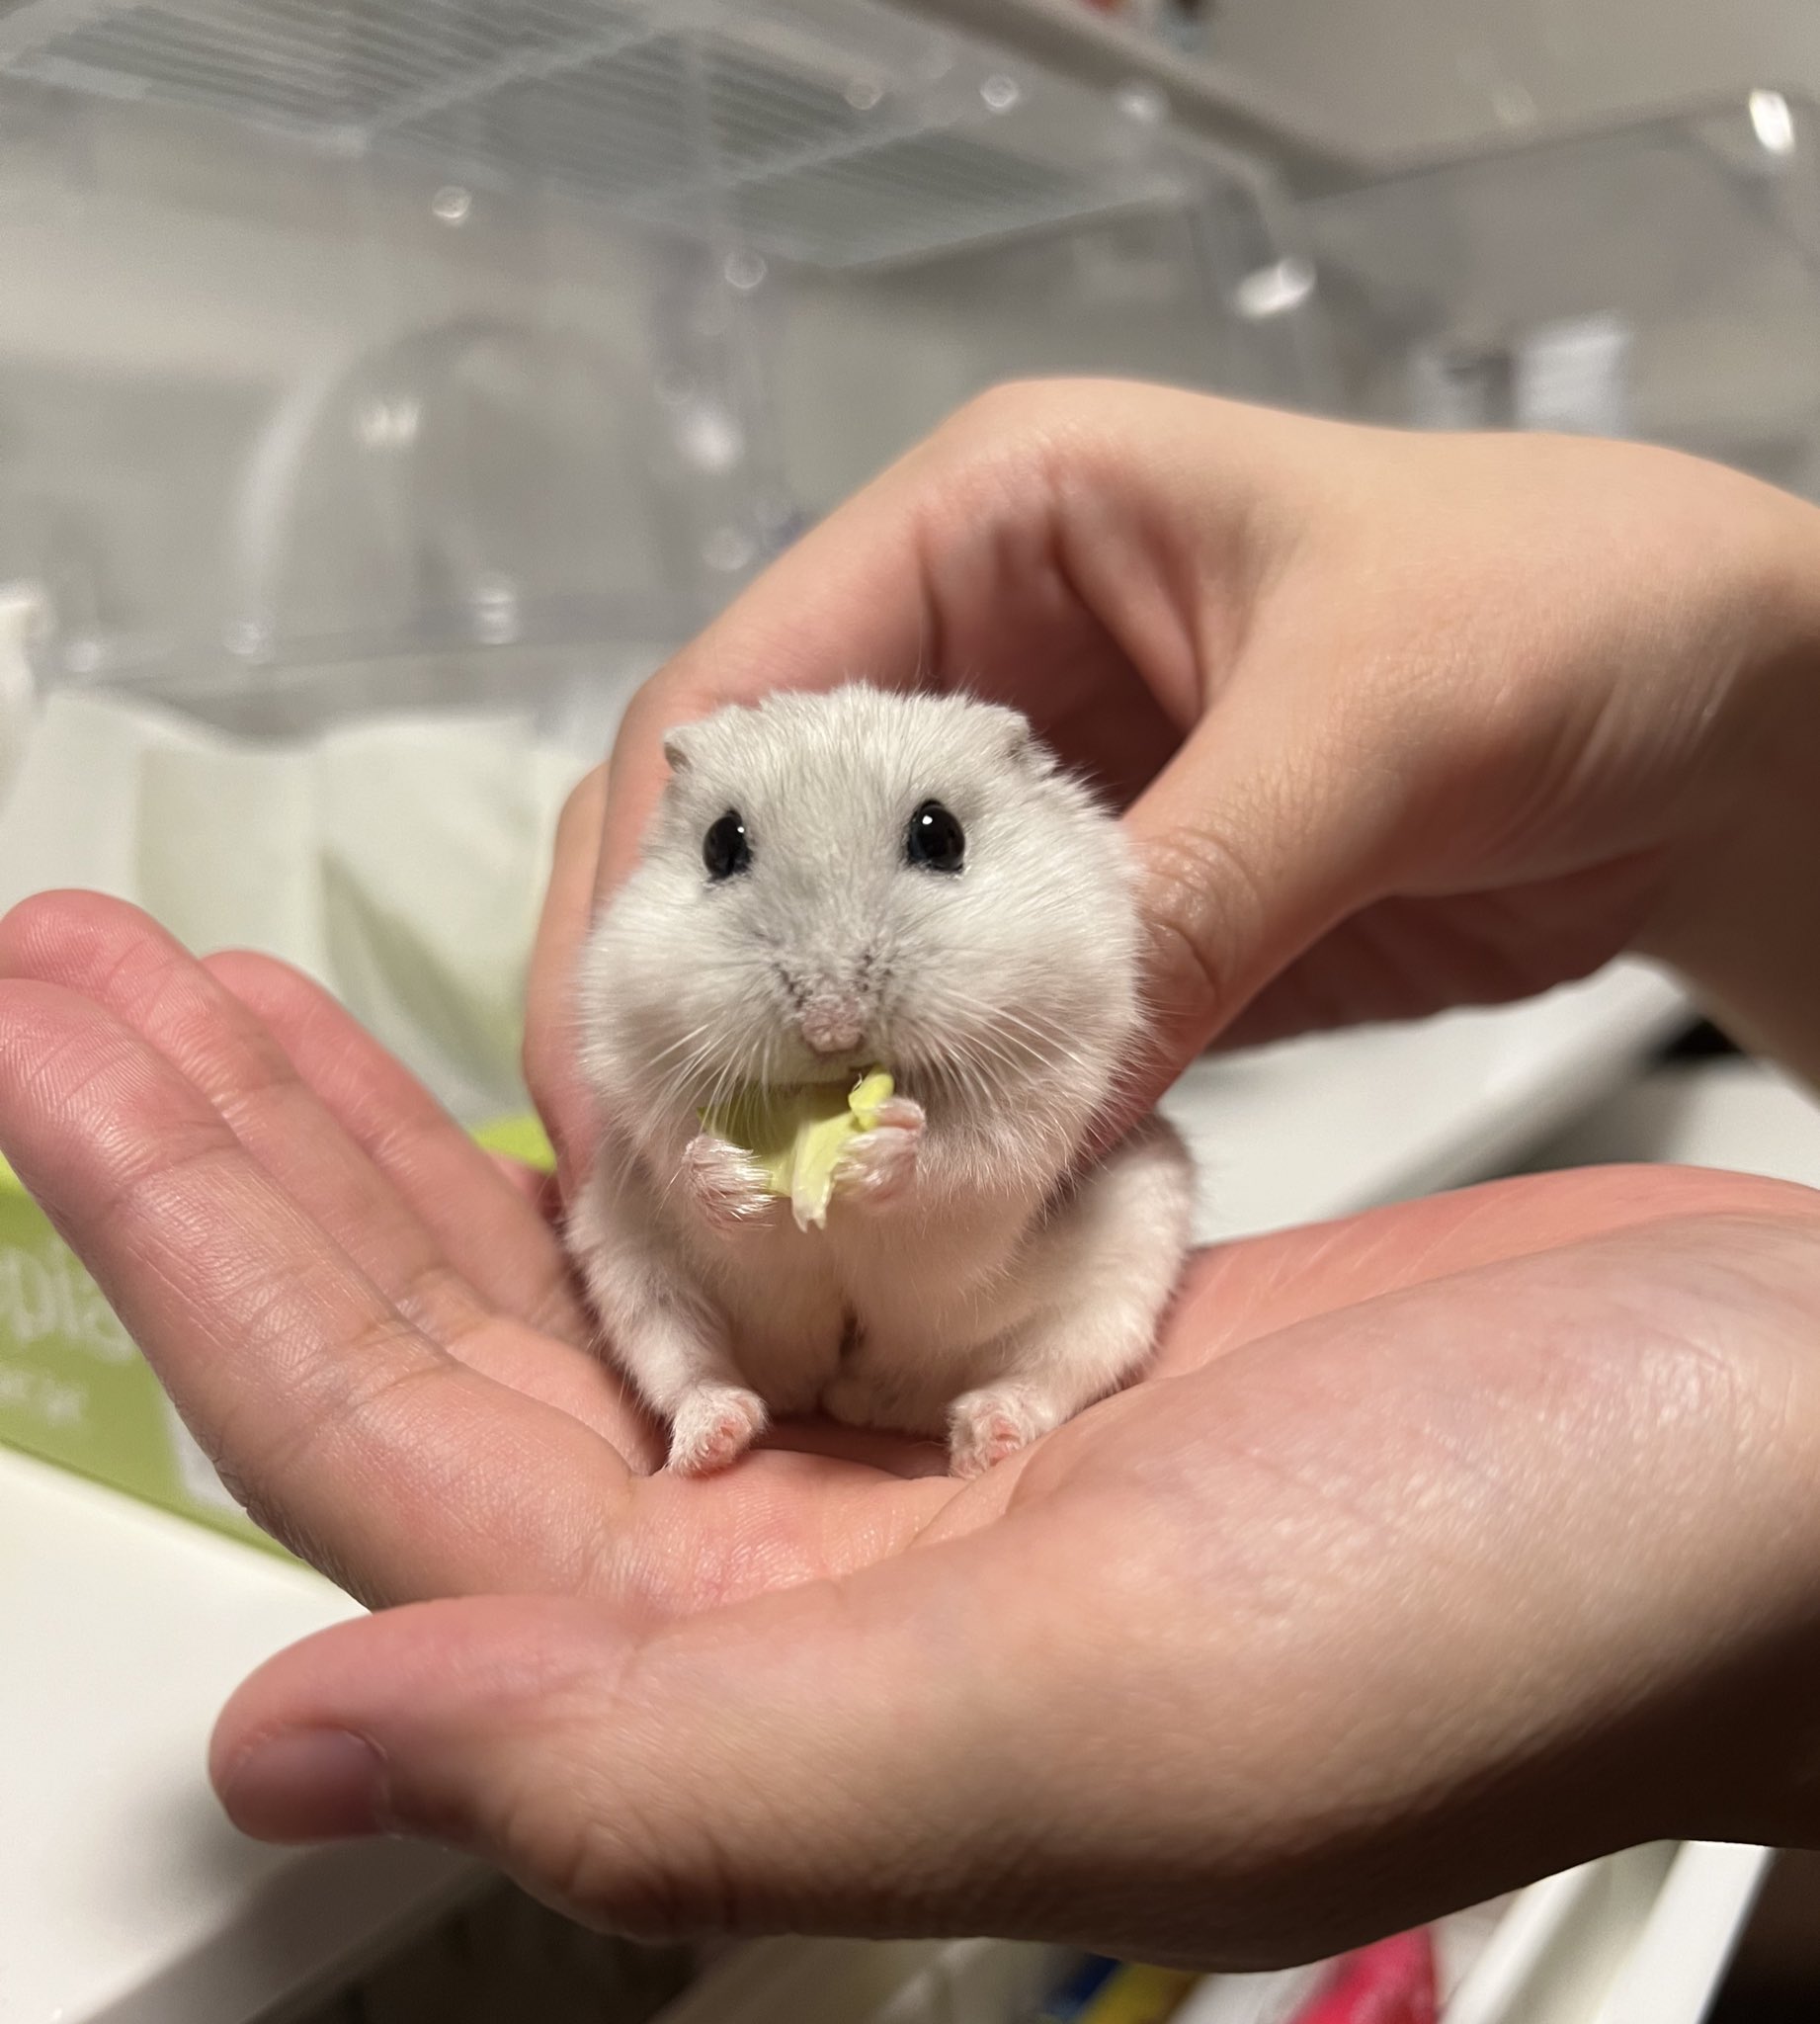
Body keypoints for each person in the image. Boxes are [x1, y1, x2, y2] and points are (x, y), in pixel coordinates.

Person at [3, 380, 1820, 1967]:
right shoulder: (661, 996)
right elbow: (663, 1156)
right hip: (748, 1326)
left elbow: (1019, 1181)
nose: (829, 985)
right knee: (627, 1217)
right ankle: (700, 1394)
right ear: (678, 830)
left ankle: (1030, 1389)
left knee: (1135, 1194)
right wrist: (721, 1190)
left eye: (930, 846)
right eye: (729, 861)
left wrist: (922, 1179)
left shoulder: (1065, 961)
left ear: (1030, 803)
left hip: (990, 1305)